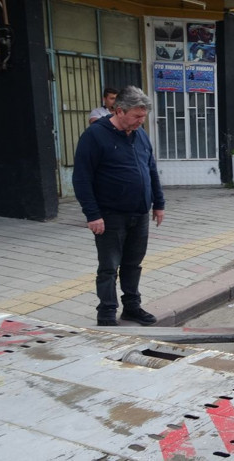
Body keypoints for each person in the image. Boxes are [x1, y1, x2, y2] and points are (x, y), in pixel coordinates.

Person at [73, 86, 165, 327]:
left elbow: (151, 169)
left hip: (140, 212)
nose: (140, 121)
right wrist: (92, 215)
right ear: (120, 110)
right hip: (110, 215)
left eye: (143, 117)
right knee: (109, 267)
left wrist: (159, 203)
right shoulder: (95, 135)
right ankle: (106, 312)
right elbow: (82, 178)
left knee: (133, 264)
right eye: (136, 116)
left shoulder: (140, 134)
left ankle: (132, 307)